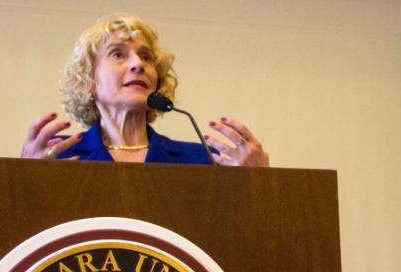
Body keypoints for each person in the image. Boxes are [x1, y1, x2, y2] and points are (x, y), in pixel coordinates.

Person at [20, 15, 268, 166]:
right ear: (88, 81)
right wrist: (25, 177)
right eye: (118, 54)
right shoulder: (56, 157)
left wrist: (258, 183)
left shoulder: (203, 160)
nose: (138, 64)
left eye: (146, 57)